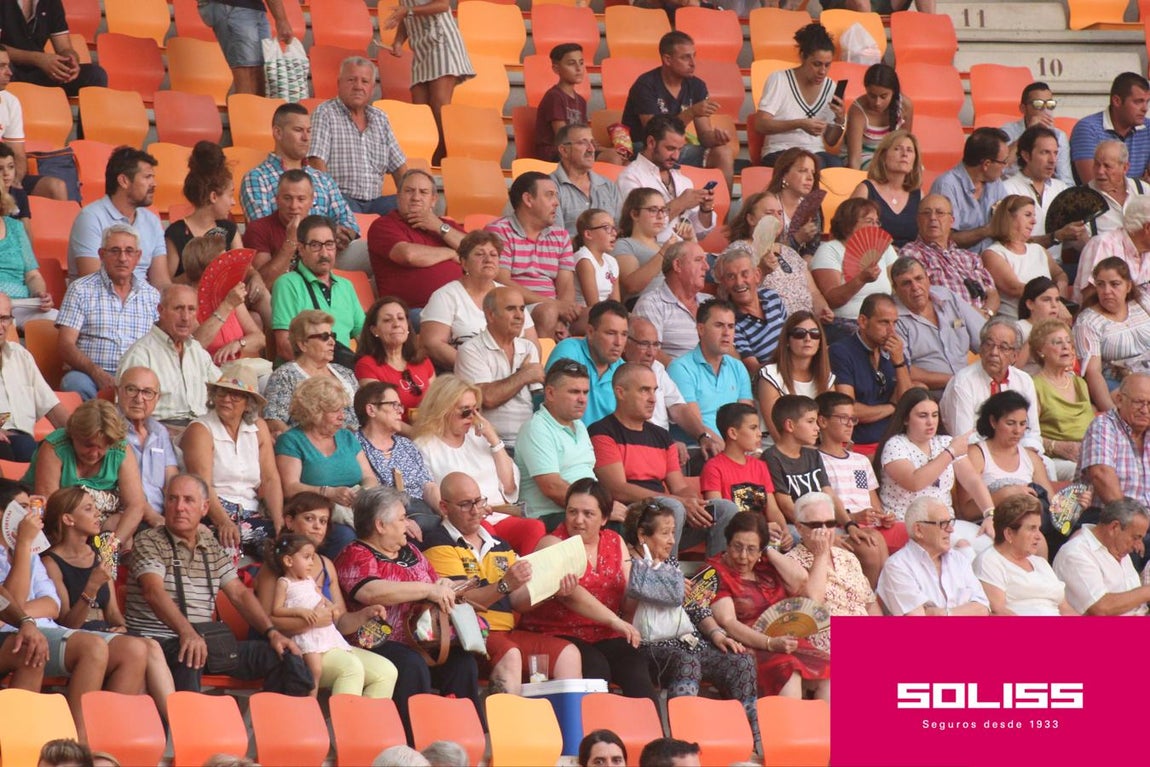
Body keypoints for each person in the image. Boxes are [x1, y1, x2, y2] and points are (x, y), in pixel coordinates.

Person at [124, 474, 310, 693]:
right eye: (172, 499)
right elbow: (153, 592)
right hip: (159, 642)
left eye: (188, 500)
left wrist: (272, 633)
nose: (179, 507)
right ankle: (186, 728)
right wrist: (187, 633)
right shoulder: (149, 539)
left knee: (281, 656)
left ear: (205, 508)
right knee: (191, 654)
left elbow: (239, 594)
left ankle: (278, 726)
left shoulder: (209, 544)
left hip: (203, 640)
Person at [334, 487, 482, 734]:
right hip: (376, 639)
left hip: (423, 639)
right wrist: (427, 589)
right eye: (402, 518)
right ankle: (415, 741)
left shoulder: (410, 550)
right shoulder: (355, 554)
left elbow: (432, 583)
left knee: (462, 662)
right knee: (410, 663)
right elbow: (372, 592)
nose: (408, 524)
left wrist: (442, 584)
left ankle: (467, 738)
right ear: (380, 525)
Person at [422, 472, 580, 695]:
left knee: (568, 653)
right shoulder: (438, 542)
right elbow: (461, 601)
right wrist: (504, 585)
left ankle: (562, 729)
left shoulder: (500, 544)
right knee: (510, 654)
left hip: (506, 633)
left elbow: (518, 601)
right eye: (465, 504)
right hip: (470, 636)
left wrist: (553, 590)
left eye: (478, 501)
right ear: (444, 507)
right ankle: (506, 729)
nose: (476, 510)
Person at [621, 500, 760, 750]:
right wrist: (670, 588)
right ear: (643, 534)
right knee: (687, 659)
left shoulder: (671, 566)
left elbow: (695, 606)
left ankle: (749, 743)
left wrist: (717, 633)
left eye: (673, 532)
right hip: (647, 647)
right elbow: (632, 598)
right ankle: (682, 746)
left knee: (741, 660)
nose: (672, 541)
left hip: (687, 641)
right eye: (665, 533)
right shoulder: (629, 563)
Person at [40, 487, 176, 717]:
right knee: (138, 650)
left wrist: (121, 626)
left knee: (150, 645)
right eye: (88, 508)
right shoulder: (51, 561)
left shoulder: (101, 554)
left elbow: (112, 612)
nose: (97, 515)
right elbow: (67, 623)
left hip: (105, 630)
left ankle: (173, 722)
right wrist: (91, 587)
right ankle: (104, 725)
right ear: (68, 519)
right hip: (78, 636)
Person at [255, 493, 401, 701]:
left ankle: (364, 732)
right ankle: (345, 732)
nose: (317, 526)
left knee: (386, 671)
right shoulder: (277, 566)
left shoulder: (326, 564)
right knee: (350, 668)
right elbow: (266, 622)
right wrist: (310, 621)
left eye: (323, 521)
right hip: (294, 647)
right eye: (309, 518)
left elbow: (339, 620)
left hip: (328, 642)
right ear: (289, 521)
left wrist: (364, 614)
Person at [519, 480, 651, 699]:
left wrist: (647, 585)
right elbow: (573, 596)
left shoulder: (614, 540)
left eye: (588, 514)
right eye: (572, 512)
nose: (578, 520)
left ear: (605, 518)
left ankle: (650, 730)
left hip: (603, 634)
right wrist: (616, 621)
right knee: (595, 667)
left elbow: (627, 600)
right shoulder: (553, 544)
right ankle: (597, 731)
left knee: (635, 664)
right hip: (556, 632)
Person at [592, 363, 739, 557]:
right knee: (672, 508)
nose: (653, 399)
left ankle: (716, 577)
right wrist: (678, 501)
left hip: (665, 510)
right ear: (620, 392)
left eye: (654, 390)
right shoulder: (602, 432)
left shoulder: (662, 436)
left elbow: (679, 487)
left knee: (724, 509)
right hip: (629, 516)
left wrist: (694, 503)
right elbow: (617, 488)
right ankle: (669, 578)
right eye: (644, 390)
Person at [763, 395, 887, 583]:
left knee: (871, 540)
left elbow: (829, 494)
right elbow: (786, 505)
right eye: (811, 421)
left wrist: (849, 525)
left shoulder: (811, 455)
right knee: (864, 551)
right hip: (798, 526)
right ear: (790, 425)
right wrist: (824, 533)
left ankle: (867, 602)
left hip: (824, 525)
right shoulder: (772, 457)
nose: (817, 427)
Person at [413, 375, 541, 554]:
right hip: (467, 522)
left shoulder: (479, 436)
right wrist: (469, 513)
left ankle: (527, 579)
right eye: (466, 411)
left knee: (535, 528)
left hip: (499, 515)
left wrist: (494, 439)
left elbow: (509, 486)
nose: (473, 418)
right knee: (487, 534)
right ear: (444, 409)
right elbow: (428, 490)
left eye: (476, 410)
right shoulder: (424, 445)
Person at [706, 512, 827, 698]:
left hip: (783, 641)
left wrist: (768, 551)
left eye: (751, 549)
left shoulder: (765, 565)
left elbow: (801, 579)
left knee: (830, 671)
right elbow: (728, 622)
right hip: (747, 646)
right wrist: (770, 643)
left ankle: (828, 728)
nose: (743, 556)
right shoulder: (715, 572)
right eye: (737, 547)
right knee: (788, 670)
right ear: (727, 543)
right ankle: (789, 727)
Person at [181, 366, 283, 558]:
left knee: (286, 550)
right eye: (222, 392)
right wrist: (223, 522)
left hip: (252, 511)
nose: (227, 399)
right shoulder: (201, 429)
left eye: (236, 395)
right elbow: (202, 485)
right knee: (229, 546)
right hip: (213, 511)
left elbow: (270, 479)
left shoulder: (258, 427)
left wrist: (279, 521)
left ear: (248, 403)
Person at [876, 389, 995, 551]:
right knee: (962, 548)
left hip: (947, 524)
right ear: (905, 419)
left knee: (991, 545)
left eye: (934, 415)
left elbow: (972, 480)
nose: (931, 422)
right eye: (923, 416)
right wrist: (950, 453)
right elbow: (915, 482)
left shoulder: (945, 442)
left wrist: (989, 514)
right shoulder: (895, 445)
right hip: (907, 524)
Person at [275, 377, 379, 558]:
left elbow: (369, 477)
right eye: (334, 411)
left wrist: (363, 493)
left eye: (343, 410)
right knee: (346, 536)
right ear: (314, 412)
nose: (342, 416)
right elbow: (290, 487)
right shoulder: (291, 440)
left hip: (355, 507)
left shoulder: (346, 437)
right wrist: (328, 492)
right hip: (317, 515)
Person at [28, 400, 157, 544]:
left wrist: (113, 545)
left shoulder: (120, 449)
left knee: (126, 526)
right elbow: (51, 509)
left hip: (99, 521)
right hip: (60, 523)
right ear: (73, 435)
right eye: (88, 445)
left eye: (102, 447)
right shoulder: (54, 447)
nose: (94, 453)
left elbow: (135, 505)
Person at [57, 224, 160, 400]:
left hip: (138, 378)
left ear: (138, 256)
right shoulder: (80, 289)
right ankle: (94, 427)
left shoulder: (151, 295)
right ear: (101, 255)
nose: (122, 258)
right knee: (73, 383)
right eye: (115, 251)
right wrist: (95, 372)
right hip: (91, 374)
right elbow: (65, 344)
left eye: (129, 251)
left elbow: (160, 345)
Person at [621, 31, 734, 188]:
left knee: (724, 152)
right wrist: (691, 112)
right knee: (662, 147)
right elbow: (655, 134)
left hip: (679, 149)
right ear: (667, 59)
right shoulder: (645, 84)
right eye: (685, 57)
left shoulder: (697, 86)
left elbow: (704, 137)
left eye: (694, 56)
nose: (693, 63)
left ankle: (724, 211)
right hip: (646, 149)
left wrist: (716, 139)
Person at [239, 103, 359, 250]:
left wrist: (344, 235)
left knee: (368, 249)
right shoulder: (257, 178)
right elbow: (265, 232)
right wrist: (323, 234)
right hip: (286, 254)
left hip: (330, 250)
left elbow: (349, 222)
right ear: (278, 133)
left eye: (309, 131)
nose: (306, 137)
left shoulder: (322, 178)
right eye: (298, 130)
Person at [420, 230, 540, 370]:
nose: (488, 259)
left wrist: (517, 374)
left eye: (493, 255)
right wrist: (474, 367)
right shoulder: (446, 296)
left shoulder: (510, 295)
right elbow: (433, 344)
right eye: (479, 254)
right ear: (464, 263)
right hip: (465, 379)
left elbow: (533, 344)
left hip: (514, 376)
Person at [940, 317, 1048, 468]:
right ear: (981, 349)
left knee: (1047, 467)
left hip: (1018, 452)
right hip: (978, 458)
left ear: (1015, 356)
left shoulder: (1024, 381)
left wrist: (1023, 454)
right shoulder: (963, 382)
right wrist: (1002, 454)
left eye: (1003, 347)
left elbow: (1032, 432)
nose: (994, 352)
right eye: (989, 345)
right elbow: (963, 439)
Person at [308, 57, 410, 216]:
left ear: (373, 87)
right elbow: (316, 163)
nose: (358, 87)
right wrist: (333, 201)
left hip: (376, 202)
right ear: (338, 83)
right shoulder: (325, 113)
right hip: (342, 199)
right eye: (351, 80)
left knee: (414, 204)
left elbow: (399, 167)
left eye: (364, 81)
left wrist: (408, 198)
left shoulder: (380, 118)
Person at [116, 285, 221, 434]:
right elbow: (127, 411)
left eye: (191, 309)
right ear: (160, 311)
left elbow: (222, 388)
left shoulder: (196, 350)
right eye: (178, 308)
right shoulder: (140, 354)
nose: (185, 317)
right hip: (161, 432)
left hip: (202, 429)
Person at [487, 172, 579, 340]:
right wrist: (554, 306)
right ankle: (543, 364)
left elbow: (566, 284)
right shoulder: (500, 231)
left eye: (556, 196)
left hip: (553, 308)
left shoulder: (561, 235)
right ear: (528, 199)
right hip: (515, 307)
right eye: (549, 195)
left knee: (601, 317)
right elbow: (502, 282)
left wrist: (562, 315)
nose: (556, 203)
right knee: (547, 312)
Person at [786, 492, 881, 654]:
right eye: (816, 525)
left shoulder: (847, 557)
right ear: (800, 528)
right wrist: (821, 554)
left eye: (830, 524)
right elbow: (812, 604)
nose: (825, 531)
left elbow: (870, 605)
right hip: (829, 649)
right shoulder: (791, 562)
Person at [382, 0, 474, 165]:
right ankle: (429, 160)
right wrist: (397, 41)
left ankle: (446, 158)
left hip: (443, 43)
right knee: (421, 110)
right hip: (421, 49)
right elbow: (406, 16)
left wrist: (408, 11)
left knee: (439, 103)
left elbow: (443, 5)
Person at [816, 392, 906, 552]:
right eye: (843, 418)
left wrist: (884, 518)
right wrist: (854, 518)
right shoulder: (815, 460)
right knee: (872, 544)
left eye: (852, 419)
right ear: (822, 421)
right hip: (845, 526)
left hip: (872, 526)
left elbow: (874, 504)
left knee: (920, 534)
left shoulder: (860, 461)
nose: (850, 424)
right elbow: (821, 509)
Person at [455, 287, 543, 449]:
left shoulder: (528, 347)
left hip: (529, 442)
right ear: (490, 315)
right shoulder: (471, 350)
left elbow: (538, 400)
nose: (519, 316)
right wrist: (524, 375)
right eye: (511, 309)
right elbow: (486, 398)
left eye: (522, 309)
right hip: (488, 443)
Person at [270, 214, 365, 363]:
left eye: (329, 244)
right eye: (315, 245)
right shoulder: (286, 284)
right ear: (301, 249)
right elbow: (284, 346)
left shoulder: (346, 286)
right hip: (305, 375)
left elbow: (364, 338)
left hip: (342, 372)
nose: (324, 253)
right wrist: (325, 373)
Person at [67, 148, 168, 287]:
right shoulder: (90, 217)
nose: (154, 183)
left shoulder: (152, 221)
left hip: (144, 303)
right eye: (147, 177)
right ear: (124, 181)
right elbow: (92, 281)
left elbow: (161, 282)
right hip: (100, 303)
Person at [874, 497, 991, 616]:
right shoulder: (897, 566)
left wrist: (941, 614)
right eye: (943, 524)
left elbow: (983, 609)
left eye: (950, 522)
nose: (951, 529)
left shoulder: (958, 559)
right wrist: (966, 611)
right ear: (919, 530)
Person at [514, 360, 598, 526]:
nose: (582, 399)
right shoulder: (536, 428)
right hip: (550, 517)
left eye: (585, 392)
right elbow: (552, 488)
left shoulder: (580, 426)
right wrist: (601, 508)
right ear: (550, 393)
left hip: (584, 512)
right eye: (574, 392)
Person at [366, 168, 463, 311]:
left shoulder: (446, 226)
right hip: (412, 311)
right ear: (398, 196)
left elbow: (475, 251)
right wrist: (451, 253)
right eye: (409, 191)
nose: (416, 197)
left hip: (463, 305)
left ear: (433, 200)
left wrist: (440, 227)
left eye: (423, 192)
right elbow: (408, 255)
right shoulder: (384, 225)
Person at [723, 192, 830, 319]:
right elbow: (729, 292)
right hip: (771, 326)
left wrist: (823, 309)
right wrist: (762, 271)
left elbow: (814, 292)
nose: (776, 218)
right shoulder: (739, 250)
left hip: (807, 326)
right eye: (769, 213)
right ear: (751, 219)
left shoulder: (789, 252)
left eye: (779, 213)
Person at [753, 23, 845, 168]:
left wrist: (840, 119)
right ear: (803, 57)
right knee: (811, 166)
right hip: (780, 151)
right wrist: (800, 124)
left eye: (827, 65)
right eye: (816, 64)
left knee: (837, 165)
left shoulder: (830, 87)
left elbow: (830, 140)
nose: (822, 71)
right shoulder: (779, 79)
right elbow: (760, 124)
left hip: (815, 152)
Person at [355, 382, 441, 534]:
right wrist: (401, 521)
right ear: (371, 409)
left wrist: (445, 512)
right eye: (394, 405)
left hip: (422, 513)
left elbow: (428, 486)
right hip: (384, 517)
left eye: (400, 405)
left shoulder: (406, 445)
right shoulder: (354, 444)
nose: (400, 411)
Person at [667, 299, 755, 448]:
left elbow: (747, 420)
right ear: (701, 329)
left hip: (735, 452)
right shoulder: (680, 368)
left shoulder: (738, 367)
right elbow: (695, 424)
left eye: (731, 326)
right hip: (699, 450)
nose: (727, 333)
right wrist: (731, 453)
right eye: (719, 325)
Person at [889, 256, 984, 393]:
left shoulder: (946, 296)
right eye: (906, 283)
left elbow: (985, 337)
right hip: (931, 397)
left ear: (928, 279)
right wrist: (957, 380)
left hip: (969, 387)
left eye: (919, 278)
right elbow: (904, 369)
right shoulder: (892, 317)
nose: (915, 287)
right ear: (895, 289)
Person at [828, 293, 913, 446]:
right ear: (863, 321)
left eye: (895, 323)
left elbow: (907, 403)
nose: (891, 331)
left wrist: (899, 363)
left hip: (895, 440)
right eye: (884, 323)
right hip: (859, 442)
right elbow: (849, 410)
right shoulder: (841, 352)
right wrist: (893, 407)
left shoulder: (895, 352)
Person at [617, 116, 716, 243]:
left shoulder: (684, 180)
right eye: (670, 149)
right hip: (649, 255)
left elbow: (699, 233)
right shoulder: (630, 177)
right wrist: (681, 203)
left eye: (680, 149)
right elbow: (636, 227)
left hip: (684, 253)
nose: (676, 156)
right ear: (651, 142)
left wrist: (705, 210)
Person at [973, 494, 1075, 616]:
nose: (1038, 536)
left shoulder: (1040, 563)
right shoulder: (990, 562)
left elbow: (1065, 609)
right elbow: (997, 612)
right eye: (1032, 528)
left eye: (1039, 528)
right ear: (1009, 533)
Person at [898, 193, 1000, 315]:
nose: (933, 218)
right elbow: (920, 297)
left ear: (951, 221)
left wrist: (986, 313)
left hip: (982, 323)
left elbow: (993, 294)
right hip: (945, 323)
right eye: (926, 213)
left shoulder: (970, 257)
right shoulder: (911, 254)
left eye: (940, 213)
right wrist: (969, 315)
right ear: (918, 220)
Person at [263, 310, 359, 437]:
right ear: (303, 344)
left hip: (357, 446)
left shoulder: (345, 372)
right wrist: (306, 447)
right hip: (313, 450)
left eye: (332, 336)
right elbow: (274, 422)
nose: (332, 342)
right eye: (324, 337)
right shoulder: (285, 375)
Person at [623, 316, 715, 448]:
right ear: (626, 342)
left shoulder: (657, 368)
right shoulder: (617, 373)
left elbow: (679, 408)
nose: (651, 352)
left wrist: (702, 436)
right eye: (644, 344)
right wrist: (667, 442)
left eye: (655, 345)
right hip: (635, 446)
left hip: (663, 446)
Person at [965, 391, 1055, 523]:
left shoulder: (1031, 458)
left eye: (1022, 424)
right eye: (1010, 423)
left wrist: (1075, 505)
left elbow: (1053, 505)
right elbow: (966, 511)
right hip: (988, 527)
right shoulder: (976, 454)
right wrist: (1005, 494)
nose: (1017, 431)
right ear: (993, 422)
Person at [1052, 497, 1150, 616]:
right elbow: (1100, 608)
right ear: (1114, 527)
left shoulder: (1119, 548)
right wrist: (1146, 591)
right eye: (1135, 537)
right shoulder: (1076, 553)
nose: (1137, 545)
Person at [811, 199, 900, 328]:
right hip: (847, 323)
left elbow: (897, 283)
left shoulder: (885, 248)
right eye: (869, 221)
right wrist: (861, 279)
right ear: (848, 225)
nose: (875, 227)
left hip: (886, 322)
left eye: (877, 222)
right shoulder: (830, 249)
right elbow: (832, 299)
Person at [1075, 257, 1150, 409]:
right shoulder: (1088, 321)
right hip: (1117, 380)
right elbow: (1093, 373)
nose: (1107, 291)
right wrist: (1111, 413)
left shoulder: (1143, 303)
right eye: (1100, 285)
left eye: (1114, 284)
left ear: (1128, 286)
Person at [1078, 374, 1150, 533]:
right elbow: (1102, 476)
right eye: (1138, 402)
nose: (1145, 410)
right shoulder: (1103, 426)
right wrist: (1133, 525)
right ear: (1119, 399)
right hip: (1109, 519)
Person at [180, 234, 266, 363]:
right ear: (210, 269)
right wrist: (227, 306)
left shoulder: (230, 294)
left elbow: (260, 338)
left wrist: (239, 344)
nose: (230, 267)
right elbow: (194, 347)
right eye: (225, 262)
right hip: (210, 375)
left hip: (242, 371)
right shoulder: (187, 302)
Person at [980, 194, 1068, 319]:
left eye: (1034, 216)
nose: (1034, 221)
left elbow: (1060, 275)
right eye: (1028, 215)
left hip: (1047, 323)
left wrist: (1061, 290)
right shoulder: (993, 253)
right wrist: (1055, 301)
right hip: (1014, 324)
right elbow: (1015, 288)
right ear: (1008, 218)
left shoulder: (1038, 250)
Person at [164, 142, 242, 281]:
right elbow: (165, 284)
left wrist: (255, 277)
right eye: (230, 195)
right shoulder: (177, 233)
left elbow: (243, 269)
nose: (233, 202)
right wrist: (201, 271)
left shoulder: (229, 228)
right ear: (213, 197)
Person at [0, 292, 64, 460]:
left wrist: (82, 434)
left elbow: (52, 406)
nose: (1, 326)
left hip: (23, 442)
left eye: (4, 318)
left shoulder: (21, 355)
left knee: (67, 448)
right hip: (7, 444)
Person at [1002, 126, 1083, 257]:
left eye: (1055, 153)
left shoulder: (1061, 189)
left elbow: (1076, 242)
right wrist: (1055, 237)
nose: (1052, 160)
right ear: (1026, 155)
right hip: (1020, 268)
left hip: (1056, 269)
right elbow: (1009, 241)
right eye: (1045, 152)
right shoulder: (1007, 189)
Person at [0, 0, 108, 97]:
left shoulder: (51, 2)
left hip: (40, 71)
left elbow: (64, 47)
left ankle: (89, 118)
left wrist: (70, 60)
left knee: (95, 75)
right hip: (8, 68)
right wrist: (38, 59)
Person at [759, 311, 835, 444]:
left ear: (820, 342)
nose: (808, 339)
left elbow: (831, 424)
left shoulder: (826, 378)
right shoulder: (770, 374)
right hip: (776, 451)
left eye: (814, 334)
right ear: (787, 340)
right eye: (799, 333)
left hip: (816, 452)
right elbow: (778, 433)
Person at [355, 297, 434, 424]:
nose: (396, 324)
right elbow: (382, 417)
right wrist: (419, 436)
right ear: (374, 330)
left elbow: (437, 403)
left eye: (401, 318)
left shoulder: (423, 360)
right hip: (397, 437)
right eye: (387, 320)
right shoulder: (366, 365)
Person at [535, 47, 621, 165]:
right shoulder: (554, 97)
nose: (578, 68)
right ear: (556, 68)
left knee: (619, 156)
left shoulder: (580, 101)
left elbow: (583, 134)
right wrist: (588, 143)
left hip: (578, 148)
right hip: (558, 152)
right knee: (613, 158)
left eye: (581, 63)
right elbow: (563, 136)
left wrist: (604, 148)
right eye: (571, 64)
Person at [929, 127, 1010, 251]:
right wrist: (987, 231)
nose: (1004, 168)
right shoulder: (947, 185)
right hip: (956, 264)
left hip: (994, 260)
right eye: (1003, 162)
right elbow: (943, 238)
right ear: (986, 164)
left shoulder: (995, 183)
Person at [549, 300, 629, 426]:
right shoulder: (570, 349)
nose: (618, 342)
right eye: (611, 333)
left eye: (624, 334)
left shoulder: (624, 370)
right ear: (590, 332)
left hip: (606, 443)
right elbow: (557, 405)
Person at [633, 242, 712, 363]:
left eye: (705, 260)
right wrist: (687, 375)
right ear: (677, 265)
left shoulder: (711, 302)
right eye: (698, 260)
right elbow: (652, 352)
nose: (706, 267)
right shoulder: (651, 304)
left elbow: (728, 348)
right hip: (676, 378)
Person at [712, 250, 787, 378]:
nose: (739, 282)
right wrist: (789, 366)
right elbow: (754, 369)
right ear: (724, 284)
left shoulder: (772, 296)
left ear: (757, 275)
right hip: (772, 380)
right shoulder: (731, 322)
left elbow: (791, 335)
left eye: (745, 274)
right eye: (731, 277)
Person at [1029, 319, 1092, 466]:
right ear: (1040, 351)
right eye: (1057, 342)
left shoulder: (1080, 383)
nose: (1066, 347)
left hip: (1088, 452)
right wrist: (1056, 447)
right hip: (1056, 458)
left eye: (1068, 342)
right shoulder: (1034, 385)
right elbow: (1027, 435)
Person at [1069, 71, 1150, 184]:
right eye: (1138, 102)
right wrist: (1139, 185)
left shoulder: (1148, 128)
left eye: (1147, 102)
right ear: (1116, 101)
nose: (1145, 108)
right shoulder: (1087, 128)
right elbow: (1095, 185)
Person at [117, 367, 178, 516]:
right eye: (132, 390)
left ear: (157, 398)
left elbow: (172, 482)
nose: (139, 399)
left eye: (147, 393)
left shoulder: (160, 432)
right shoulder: (109, 428)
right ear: (118, 392)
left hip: (160, 517)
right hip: (124, 516)